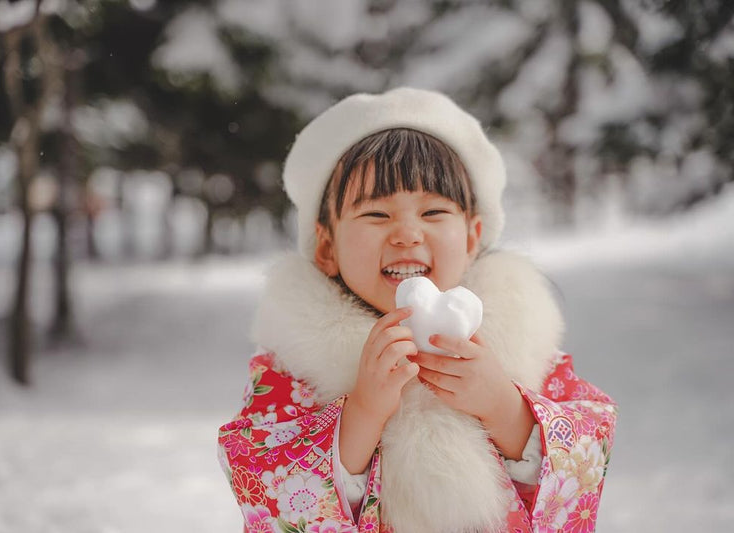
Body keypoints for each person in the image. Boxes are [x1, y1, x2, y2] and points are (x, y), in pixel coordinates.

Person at [218, 87, 616, 532]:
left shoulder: (521, 345)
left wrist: (503, 406)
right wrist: (363, 411)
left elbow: (588, 441)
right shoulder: (294, 365)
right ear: (326, 247)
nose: (407, 234)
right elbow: (260, 469)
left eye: (433, 212)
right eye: (376, 215)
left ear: (471, 237)